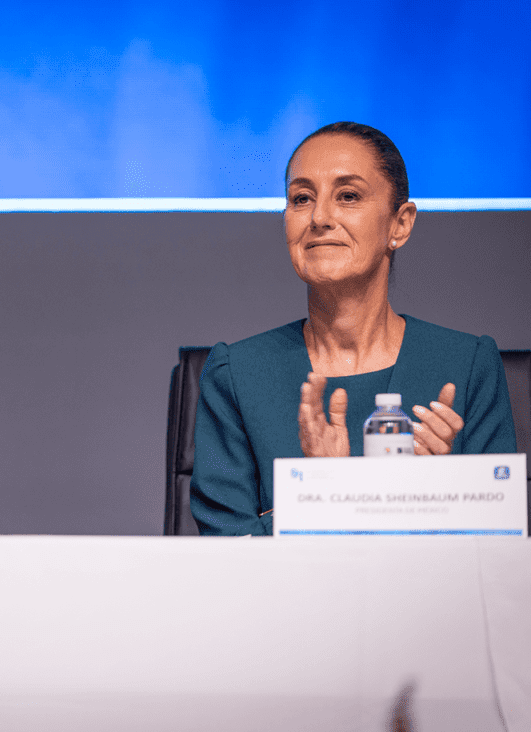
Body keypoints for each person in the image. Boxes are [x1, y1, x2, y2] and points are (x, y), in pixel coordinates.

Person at [190, 122, 517, 536]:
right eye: (301, 198)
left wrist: (441, 496)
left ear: (400, 224)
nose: (320, 217)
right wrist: (324, 498)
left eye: (348, 196)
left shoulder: (467, 365)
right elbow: (226, 559)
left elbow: (501, 560)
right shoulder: (237, 373)